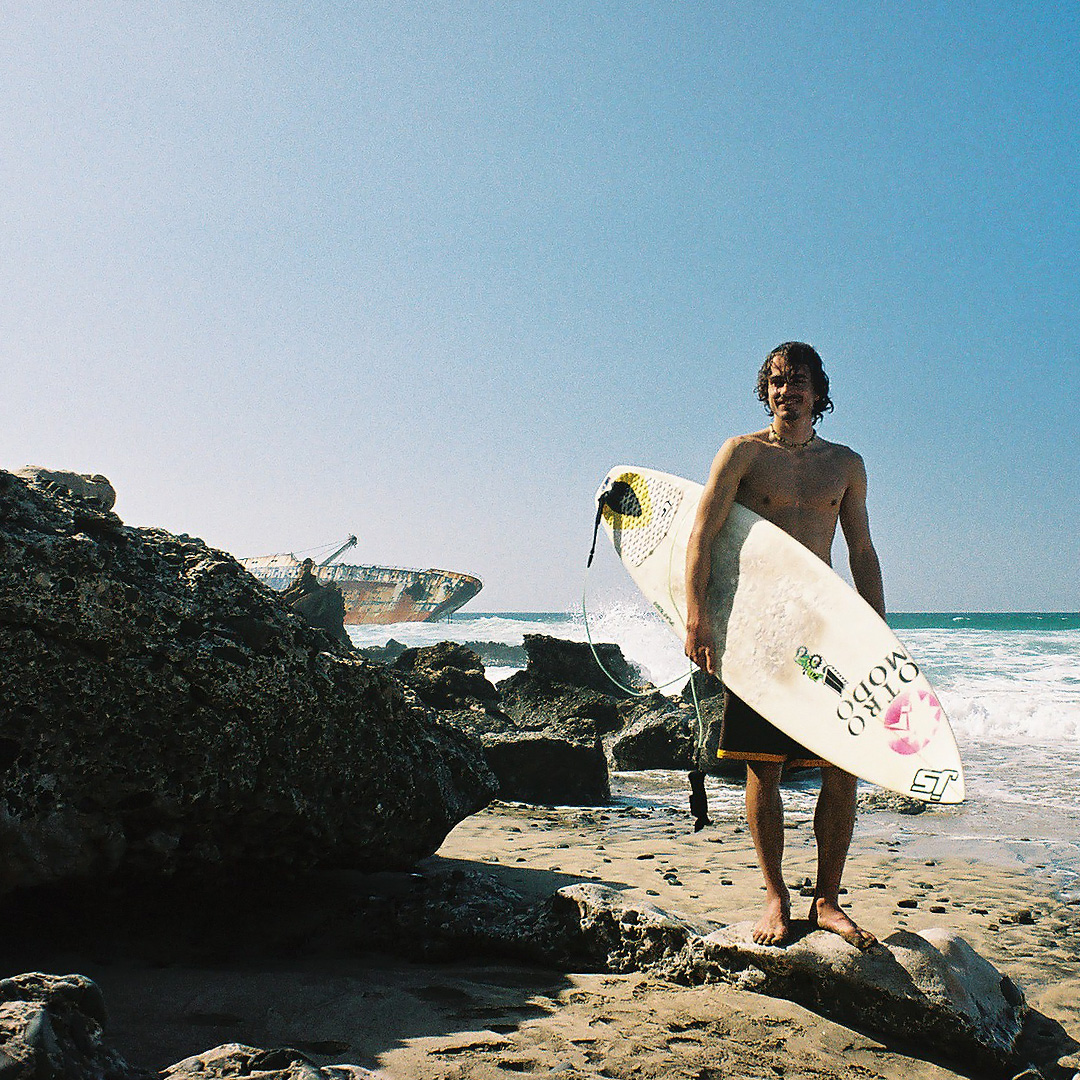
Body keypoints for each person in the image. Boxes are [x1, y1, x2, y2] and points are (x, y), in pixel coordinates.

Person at [684, 342, 884, 950]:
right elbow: (702, 533)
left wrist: (877, 634)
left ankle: (827, 899)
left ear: (820, 392)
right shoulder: (742, 454)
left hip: (821, 629)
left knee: (842, 766)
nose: (784, 390)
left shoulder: (845, 465)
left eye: (797, 380)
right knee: (762, 766)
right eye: (774, 381)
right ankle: (776, 896)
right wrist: (697, 616)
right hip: (757, 627)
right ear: (764, 391)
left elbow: (861, 552)